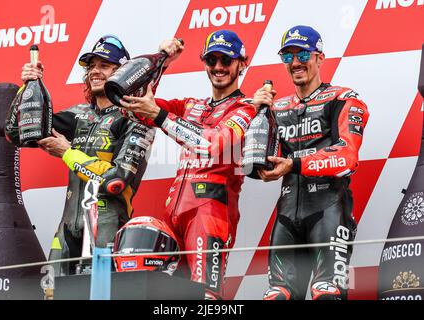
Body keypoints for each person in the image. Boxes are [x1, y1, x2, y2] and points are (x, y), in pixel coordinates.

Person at [118, 30, 258, 299]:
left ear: (243, 62)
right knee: (168, 297)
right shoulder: (190, 105)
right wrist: (161, 62)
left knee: (206, 296)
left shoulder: (246, 108)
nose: (218, 67)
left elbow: (213, 145)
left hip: (211, 213)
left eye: (226, 60)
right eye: (211, 60)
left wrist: (160, 116)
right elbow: (132, 105)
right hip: (172, 214)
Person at [5, 35, 155, 276]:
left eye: (104, 65)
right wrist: (29, 86)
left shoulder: (136, 118)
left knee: (99, 294)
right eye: (91, 66)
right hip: (67, 228)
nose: (95, 71)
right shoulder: (78, 115)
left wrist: (67, 152)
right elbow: (15, 133)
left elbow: (115, 182)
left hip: (106, 226)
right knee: (51, 292)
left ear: (122, 72)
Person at [253, 25, 369, 300]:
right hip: (286, 216)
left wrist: (293, 164)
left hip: (329, 211)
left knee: (326, 294)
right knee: (276, 296)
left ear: (319, 57)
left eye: (303, 53)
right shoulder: (277, 109)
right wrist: (254, 112)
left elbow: (347, 157)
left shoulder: (343, 98)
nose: (295, 62)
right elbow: (254, 164)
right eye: (287, 56)